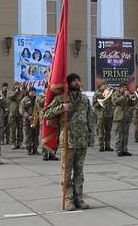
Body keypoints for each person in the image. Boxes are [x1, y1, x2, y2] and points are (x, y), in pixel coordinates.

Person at [44, 73, 94, 211]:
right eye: (74, 81)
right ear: (68, 83)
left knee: (79, 172)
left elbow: (90, 118)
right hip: (68, 141)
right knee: (67, 172)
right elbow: (46, 113)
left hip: (82, 140)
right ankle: (68, 199)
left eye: (79, 80)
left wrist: (91, 136)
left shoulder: (84, 99)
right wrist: (62, 108)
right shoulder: (61, 98)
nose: (77, 83)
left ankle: (79, 198)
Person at [37, 83, 59, 161]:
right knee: (45, 136)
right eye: (47, 89)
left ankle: (52, 153)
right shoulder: (40, 95)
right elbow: (40, 103)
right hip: (44, 119)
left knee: (54, 137)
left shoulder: (55, 96)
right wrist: (47, 96)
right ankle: (45, 154)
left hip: (53, 119)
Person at [112, 84, 135, 157]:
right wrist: (124, 96)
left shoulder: (128, 94)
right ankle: (118, 150)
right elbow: (116, 102)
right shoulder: (115, 94)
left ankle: (125, 150)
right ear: (120, 88)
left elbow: (132, 104)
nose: (125, 89)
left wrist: (131, 98)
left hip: (126, 117)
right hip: (118, 117)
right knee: (119, 135)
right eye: (123, 87)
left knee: (125, 135)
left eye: (125, 87)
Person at [92, 81, 114, 152]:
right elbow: (94, 104)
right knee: (101, 131)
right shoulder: (97, 94)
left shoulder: (109, 93)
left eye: (106, 85)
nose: (105, 86)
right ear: (100, 86)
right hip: (100, 115)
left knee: (108, 131)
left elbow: (113, 102)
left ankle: (108, 146)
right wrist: (101, 103)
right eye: (103, 85)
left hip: (109, 114)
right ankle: (101, 146)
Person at [19, 87, 40, 155]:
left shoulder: (37, 99)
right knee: (28, 135)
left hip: (36, 120)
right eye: (32, 91)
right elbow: (21, 109)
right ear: (29, 92)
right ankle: (28, 149)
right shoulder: (24, 100)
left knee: (35, 134)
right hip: (27, 120)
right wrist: (27, 116)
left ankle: (35, 149)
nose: (33, 93)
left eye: (34, 91)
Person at [8, 82, 25, 149]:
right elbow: (10, 97)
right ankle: (13, 143)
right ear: (14, 86)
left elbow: (22, 99)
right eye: (16, 85)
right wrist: (15, 92)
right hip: (12, 113)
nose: (17, 86)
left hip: (19, 113)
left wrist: (21, 91)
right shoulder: (11, 92)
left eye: (18, 85)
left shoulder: (21, 93)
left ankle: (20, 143)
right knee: (13, 129)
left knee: (20, 129)